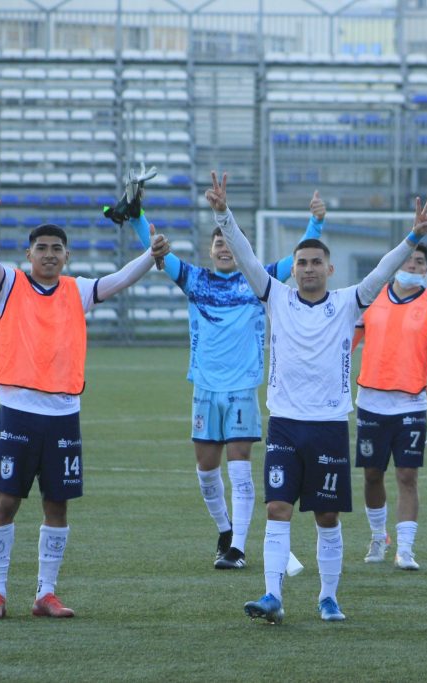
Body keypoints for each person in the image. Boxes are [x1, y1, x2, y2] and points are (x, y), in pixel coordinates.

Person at [202, 171, 427, 624]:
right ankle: (272, 595)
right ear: (295, 267)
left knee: (326, 516)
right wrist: (222, 214)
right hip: (285, 422)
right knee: (278, 507)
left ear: (329, 269)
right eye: (302, 262)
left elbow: (383, 269)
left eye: (315, 262)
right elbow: (248, 259)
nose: (308, 268)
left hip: (329, 425)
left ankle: (328, 596)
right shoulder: (275, 296)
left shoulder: (350, 301)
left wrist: (412, 238)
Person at [0, 198, 171, 619]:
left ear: (66, 255)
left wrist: (150, 256)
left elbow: (116, 281)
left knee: (57, 505)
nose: (48, 255)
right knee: (5, 502)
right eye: (41, 248)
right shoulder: (9, 284)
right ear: (29, 254)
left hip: (63, 415)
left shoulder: (77, 290)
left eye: (55, 249)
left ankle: (46, 593)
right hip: (18, 412)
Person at [121, 189, 327, 571]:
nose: (224, 249)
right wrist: (136, 218)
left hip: (241, 389)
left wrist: (316, 221)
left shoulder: (258, 279)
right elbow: (158, 253)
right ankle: (225, 530)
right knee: (205, 471)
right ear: (211, 250)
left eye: (229, 242)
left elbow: (298, 260)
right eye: (218, 244)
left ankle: (239, 547)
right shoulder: (194, 280)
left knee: (240, 467)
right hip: (204, 388)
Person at [352, 242, 427, 570]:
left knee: (407, 475)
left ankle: (405, 549)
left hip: (410, 404)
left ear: (426, 269)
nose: (412, 265)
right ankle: (379, 536)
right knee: (372, 474)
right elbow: (345, 344)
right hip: (371, 402)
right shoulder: (370, 298)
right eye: (406, 260)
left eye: (419, 261)